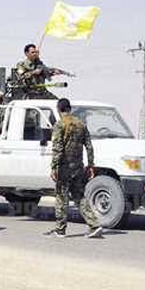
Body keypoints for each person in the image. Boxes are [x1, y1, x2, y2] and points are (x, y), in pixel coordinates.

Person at [46, 98, 103, 239]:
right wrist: (91, 165)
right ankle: (94, 225)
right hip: (78, 167)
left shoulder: (59, 125)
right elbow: (89, 146)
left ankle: (60, 230)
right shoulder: (81, 124)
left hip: (64, 168)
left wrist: (54, 167)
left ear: (59, 110)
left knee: (61, 197)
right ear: (70, 108)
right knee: (79, 196)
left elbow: (58, 148)